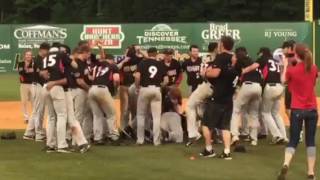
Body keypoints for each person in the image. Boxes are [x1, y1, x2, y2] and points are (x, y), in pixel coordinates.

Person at [277, 43, 318, 180]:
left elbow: (283, 81)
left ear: (295, 54)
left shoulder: (292, 70)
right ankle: (311, 172)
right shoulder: (313, 68)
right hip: (312, 109)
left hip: (297, 109)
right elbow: (313, 84)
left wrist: (285, 65)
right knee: (310, 141)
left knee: (293, 140)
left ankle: (286, 164)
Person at [199, 36, 240, 159]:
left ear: (222, 44)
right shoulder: (234, 59)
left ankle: (209, 149)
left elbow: (215, 73)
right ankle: (227, 151)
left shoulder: (221, 57)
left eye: (219, 43)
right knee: (225, 126)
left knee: (206, 124)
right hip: (229, 97)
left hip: (217, 97)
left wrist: (205, 73)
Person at [242, 47, 287, 144]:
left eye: (259, 53)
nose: (259, 55)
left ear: (262, 53)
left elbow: (253, 66)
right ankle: (284, 136)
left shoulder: (263, 58)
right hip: (280, 87)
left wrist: (244, 71)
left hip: (270, 87)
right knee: (275, 113)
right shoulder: (275, 60)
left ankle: (277, 135)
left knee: (265, 113)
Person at [135, 47, 168, 146]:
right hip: (156, 90)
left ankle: (140, 140)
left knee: (141, 115)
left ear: (148, 54)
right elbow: (166, 81)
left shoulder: (142, 63)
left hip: (145, 89)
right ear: (156, 54)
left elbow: (137, 77)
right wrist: (160, 86)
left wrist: (137, 87)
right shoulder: (160, 64)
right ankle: (156, 141)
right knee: (156, 117)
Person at [230, 47, 262, 146]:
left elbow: (235, 77)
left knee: (235, 110)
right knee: (254, 113)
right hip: (258, 87)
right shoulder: (252, 60)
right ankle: (254, 139)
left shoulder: (239, 62)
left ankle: (235, 135)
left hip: (247, 86)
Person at [41, 43, 70, 153]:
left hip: (45, 87)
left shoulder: (46, 57)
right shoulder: (61, 56)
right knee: (61, 116)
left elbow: (43, 73)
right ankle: (62, 145)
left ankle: (50, 144)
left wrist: (49, 78)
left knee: (51, 117)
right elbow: (66, 79)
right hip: (56, 88)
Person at [88, 54, 120, 145]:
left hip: (92, 89)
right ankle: (113, 136)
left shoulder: (97, 66)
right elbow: (116, 79)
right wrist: (116, 89)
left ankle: (98, 138)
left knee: (97, 115)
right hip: (102, 89)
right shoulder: (113, 66)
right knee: (111, 114)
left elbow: (91, 78)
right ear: (112, 60)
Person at [23, 43, 49, 141]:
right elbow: (41, 73)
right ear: (42, 50)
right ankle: (39, 134)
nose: (48, 52)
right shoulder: (38, 59)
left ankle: (29, 133)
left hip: (36, 85)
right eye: (47, 50)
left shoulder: (39, 59)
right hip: (38, 86)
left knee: (36, 111)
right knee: (39, 111)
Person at [117, 45, 143, 138]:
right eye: (126, 52)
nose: (127, 54)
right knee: (124, 111)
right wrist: (124, 60)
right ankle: (123, 130)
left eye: (129, 52)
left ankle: (133, 130)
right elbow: (116, 68)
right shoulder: (123, 61)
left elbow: (147, 59)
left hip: (134, 87)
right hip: (124, 87)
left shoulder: (139, 60)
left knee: (135, 110)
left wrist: (140, 52)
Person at [17, 49, 33, 124]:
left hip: (33, 84)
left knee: (34, 101)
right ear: (24, 56)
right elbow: (21, 72)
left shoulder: (34, 63)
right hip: (24, 84)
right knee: (24, 102)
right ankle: (26, 117)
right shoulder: (20, 63)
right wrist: (29, 70)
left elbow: (36, 71)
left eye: (30, 55)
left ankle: (34, 117)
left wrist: (26, 70)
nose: (28, 56)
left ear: (31, 56)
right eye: (27, 55)